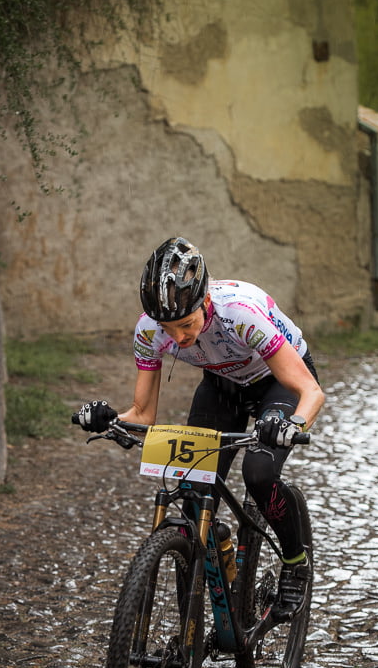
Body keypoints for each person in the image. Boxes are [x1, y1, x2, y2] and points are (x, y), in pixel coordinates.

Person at [77, 235, 325, 617]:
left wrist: (291, 423)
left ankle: (295, 563)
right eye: (168, 327)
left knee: (258, 472)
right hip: (222, 383)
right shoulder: (148, 331)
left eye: (187, 324)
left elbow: (310, 391)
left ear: (205, 301)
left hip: (279, 380)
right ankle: (205, 594)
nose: (178, 337)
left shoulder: (240, 314)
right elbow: (143, 414)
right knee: (192, 489)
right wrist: (110, 418)